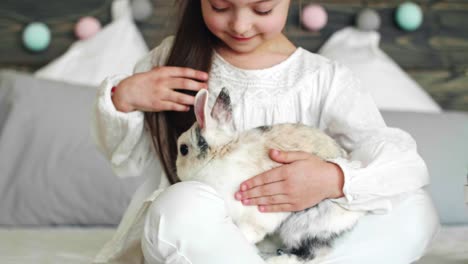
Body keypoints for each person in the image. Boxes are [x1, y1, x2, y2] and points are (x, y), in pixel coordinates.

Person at [91, 0, 439, 263]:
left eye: (262, 8)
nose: (240, 25)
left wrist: (335, 178)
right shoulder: (172, 61)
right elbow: (127, 159)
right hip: (207, 243)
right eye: (220, 6)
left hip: (300, 240)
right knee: (177, 206)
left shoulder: (324, 79)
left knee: (415, 208)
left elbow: (400, 162)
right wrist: (123, 99)